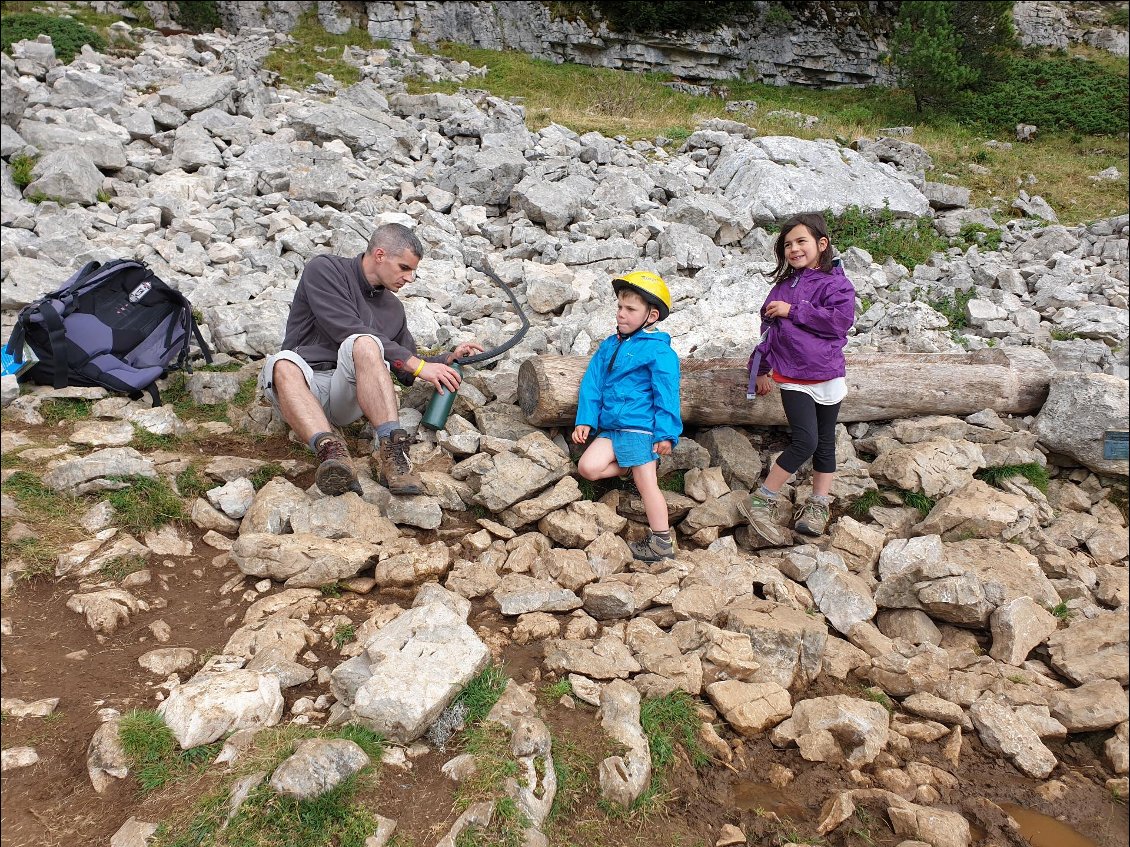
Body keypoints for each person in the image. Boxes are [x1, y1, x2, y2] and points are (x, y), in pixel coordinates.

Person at [258, 223, 483, 496]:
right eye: (404, 268)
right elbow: (344, 326)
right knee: (283, 362)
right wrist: (419, 366)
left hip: (347, 395)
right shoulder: (325, 270)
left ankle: (394, 455)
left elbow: (407, 363)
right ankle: (333, 456)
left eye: (413, 271)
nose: (410, 278)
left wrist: (447, 358)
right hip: (300, 388)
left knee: (367, 345)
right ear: (379, 255)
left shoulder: (394, 308)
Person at [739, 213, 856, 543]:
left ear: (822, 244)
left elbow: (840, 322)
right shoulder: (782, 287)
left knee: (826, 443)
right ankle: (762, 498)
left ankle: (818, 505)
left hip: (829, 375)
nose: (794, 248)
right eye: (787, 244)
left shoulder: (838, 284)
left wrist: (795, 311)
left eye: (801, 241)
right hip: (792, 376)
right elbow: (767, 334)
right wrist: (759, 370)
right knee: (806, 440)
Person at [571, 270, 682, 562]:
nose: (621, 314)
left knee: (647, 485)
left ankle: (661, 542)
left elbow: (666, 394)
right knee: (588, 468)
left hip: (639, 429)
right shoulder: (609, 345)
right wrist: (586, 420)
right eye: (620, 307)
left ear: (652, 316)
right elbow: (592, 383)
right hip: (610, 428)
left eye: (630, 309)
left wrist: (666, 434)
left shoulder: (659, 352)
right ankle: (624, 468)